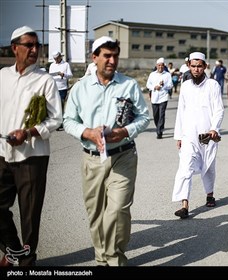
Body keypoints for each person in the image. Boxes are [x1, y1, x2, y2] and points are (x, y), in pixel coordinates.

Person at [63, 36, 150, 266]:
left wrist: (125, 131)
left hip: (123, 155)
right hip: (92, 159)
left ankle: (115, 258)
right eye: (107, 56)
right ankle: (102, 260)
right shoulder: (80, 88)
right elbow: (68, 121)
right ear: (95, 58)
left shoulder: (128, 85)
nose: (112, 61)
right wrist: (87, 132)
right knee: (97, 215)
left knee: (118, 210)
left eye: (115, 56)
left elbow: (144, 117)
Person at [0, 26, 63, 266]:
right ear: (15, 48)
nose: (35, 50)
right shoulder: (3, 76)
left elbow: (56, 119)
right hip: (2, 154)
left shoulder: (44, 80)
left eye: (37, 45)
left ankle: (27, 264)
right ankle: (12, 250)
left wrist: (27, 132)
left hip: (32, 156)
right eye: (29, 45)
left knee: (29, 217)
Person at [172, 52, 224, 219]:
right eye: (193, 66)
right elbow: (181, 111)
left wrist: (214, 128)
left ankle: (209, 194)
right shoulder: (186, 85)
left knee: (208, 166)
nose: (196, 69)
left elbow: (218, 109)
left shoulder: (213, 85)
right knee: (184, 168)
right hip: (188, 134)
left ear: (205, 67)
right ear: (189, 66)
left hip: (207, 134)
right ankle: (184, 204)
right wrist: (179, 136)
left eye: (199, 66)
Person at [146, 57, 173, 139]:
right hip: (154, 98)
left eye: (162, 66)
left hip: (163, 97)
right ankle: (159, 127)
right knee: (155, 115)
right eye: (159, 65)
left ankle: (159, 131)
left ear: (164, 66)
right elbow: (148, 85)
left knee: (162, 114)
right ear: (156, 66)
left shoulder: (167, 75)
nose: (160, 67)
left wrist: (164, 85)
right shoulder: (152, 74)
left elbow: (170, 85)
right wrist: (154, 87)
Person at [49, 50, 73, 131]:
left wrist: (63, 75)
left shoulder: (66, 64)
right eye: (54, 59)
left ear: (60, 56)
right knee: (55, 105)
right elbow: (50, 76)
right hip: (54, 87)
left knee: (61, 105)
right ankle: (57, 122)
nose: (56, 60)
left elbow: (70, 75)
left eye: (57, 58)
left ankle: (61, 123)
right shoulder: (52, 65)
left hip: (62, 88)